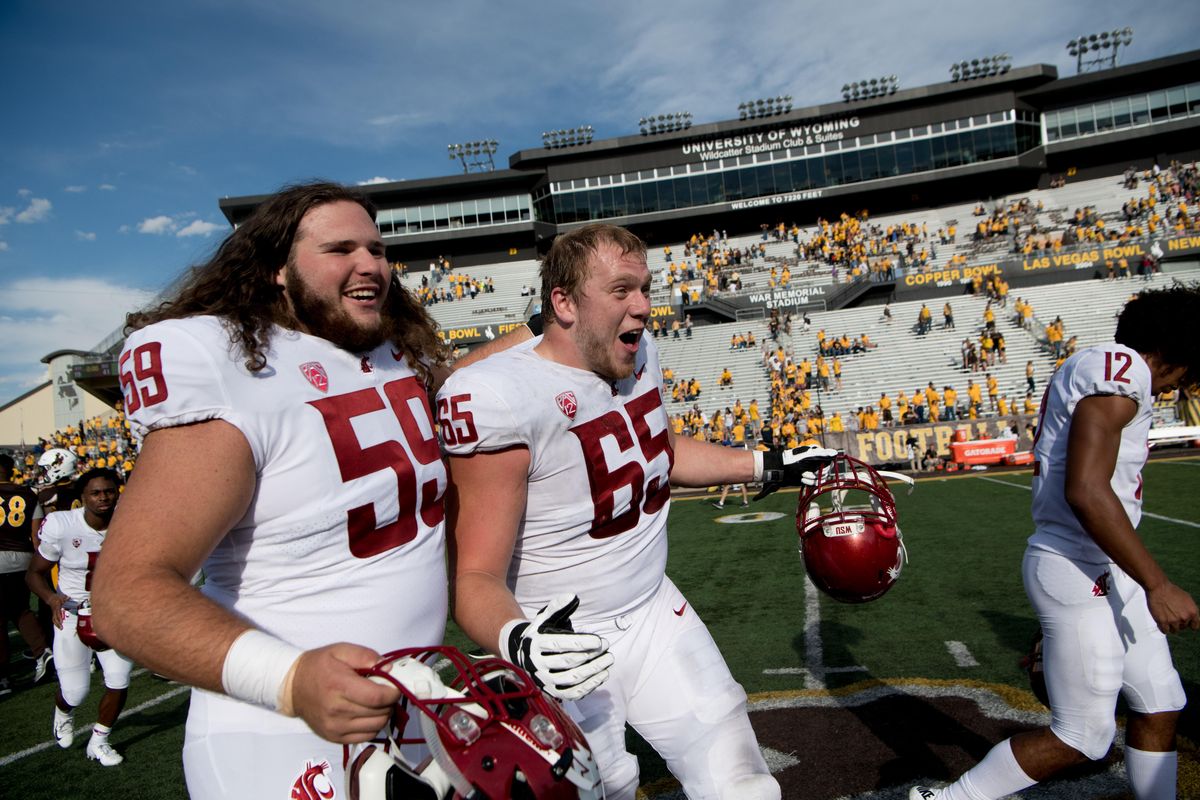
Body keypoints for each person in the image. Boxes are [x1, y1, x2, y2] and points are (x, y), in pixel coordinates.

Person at [89, 182, 523, 798]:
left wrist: (542, 330)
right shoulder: (238, 368)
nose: (370, 263)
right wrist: (290, 680)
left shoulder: (386, 354)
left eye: (376, 247)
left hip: (399, 712)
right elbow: (125, 593)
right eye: (340, 249)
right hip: (274, 732)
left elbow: (447, 384)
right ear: (276, 270)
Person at [437, 223, 835, 800]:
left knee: (745, 784)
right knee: (607, 788)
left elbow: (658, 452)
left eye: (645, 289)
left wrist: (769, 463)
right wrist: (520, 641)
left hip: (652, 608)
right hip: (563, 640)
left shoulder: (635, 351)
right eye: (623, 290)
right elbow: (473, 576)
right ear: (564, 303)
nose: (645, 308)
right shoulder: (498, 395)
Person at [911, 284, 1200, 800]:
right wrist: (1158, 584)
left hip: (1106, 564)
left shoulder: (1108, 366)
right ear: (1178, 350)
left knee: (1159, 699)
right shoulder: (1122, 368)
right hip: (1077, 562)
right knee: (1084, 735)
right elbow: (1087, 490)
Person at [27, 468, 133, 766]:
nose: (103, 498)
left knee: (119, 679)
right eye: (96, 493)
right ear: (82, 497)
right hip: (71, 613)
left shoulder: (128, 523)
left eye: (109, 491)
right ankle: (63, 711)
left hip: (112, 612)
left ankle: (99, 741)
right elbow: (34, 574)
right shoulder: (63, 525)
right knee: (76, 691)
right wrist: (51, 599)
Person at [0, 453, 51, 693]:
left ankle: (3, 678)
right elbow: (35, 535)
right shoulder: (28, 494)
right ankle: (43, 651)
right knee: (20, 610)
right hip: (22, 559)